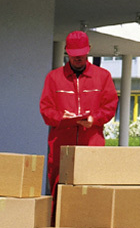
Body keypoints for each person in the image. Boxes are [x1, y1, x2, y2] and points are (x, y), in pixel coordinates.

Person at [39, 31, 119, 196]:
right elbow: (46, 108)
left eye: (81, 54)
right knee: (59, 192)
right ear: (67, 52)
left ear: (88, 50)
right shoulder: (54, 78)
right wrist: (61, 117)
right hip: (61, 146)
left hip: (91, 144)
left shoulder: (103, 76)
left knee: (91, 193)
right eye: (74, 54)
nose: (78, 58)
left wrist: (94, 119)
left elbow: (110, 105)